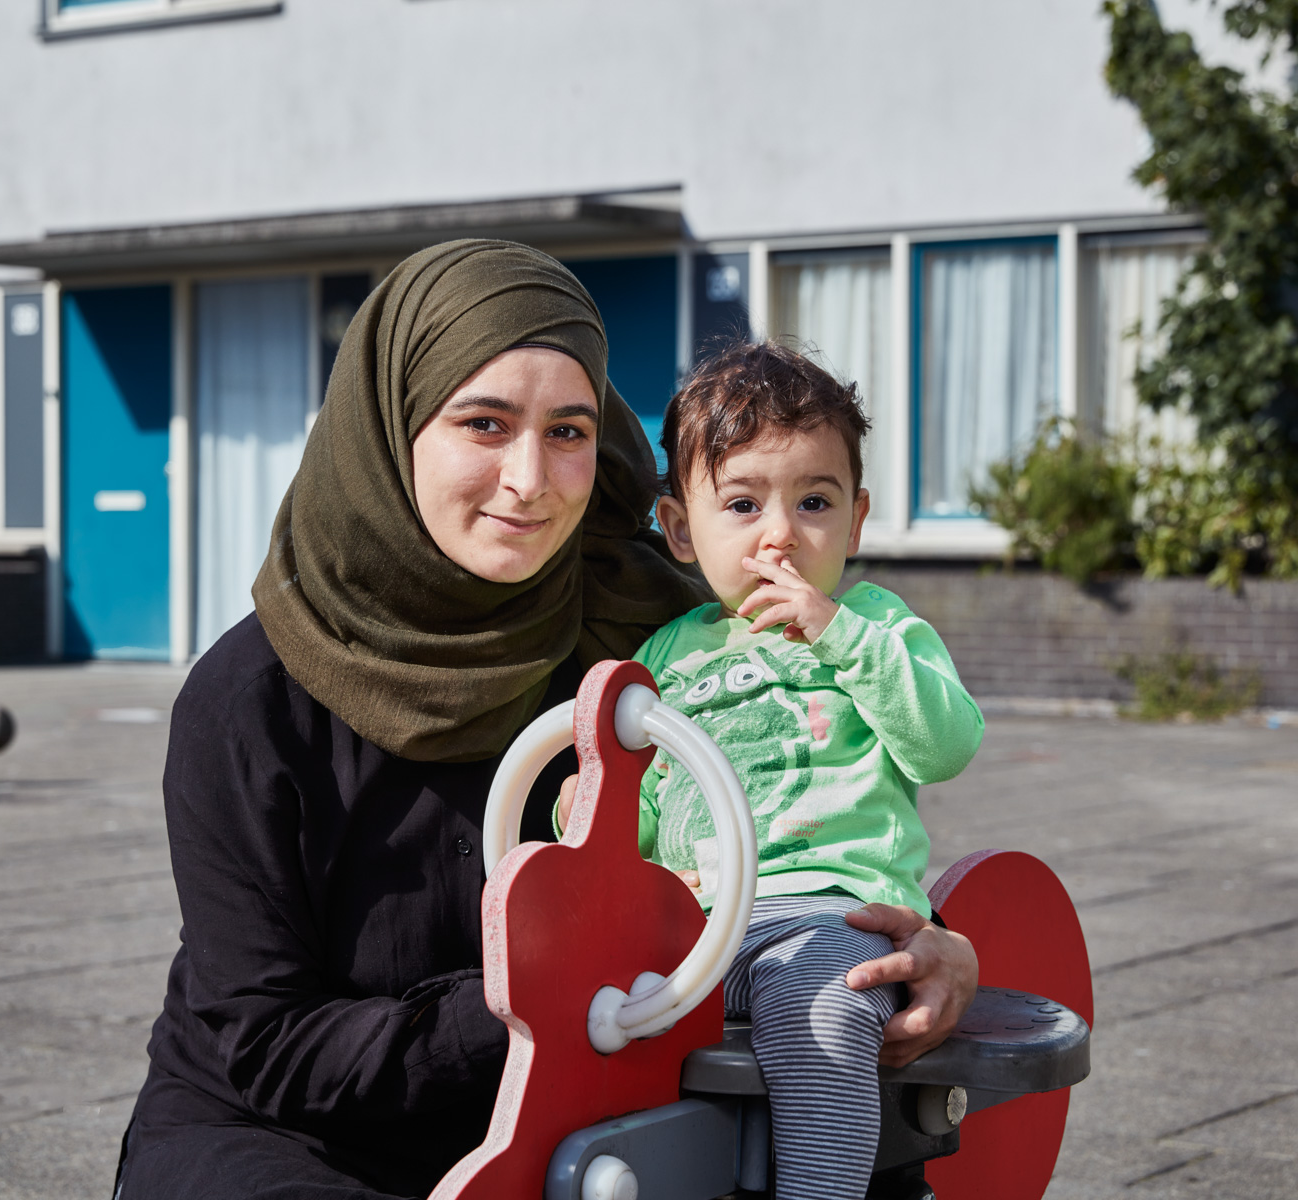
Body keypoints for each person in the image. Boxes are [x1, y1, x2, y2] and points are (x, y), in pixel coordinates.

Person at [113, 241, 980, 1200]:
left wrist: (919, 945)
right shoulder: (249, 702)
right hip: (295, 1137)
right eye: (484, 423)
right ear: (392, 429)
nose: (530, 478)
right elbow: (272, 1046)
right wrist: (541, 1006)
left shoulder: (646, 632)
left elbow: (797, 797)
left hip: (583, 1119)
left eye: (567, 431)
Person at [559, 340, 983, 1199]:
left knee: (819, 1014)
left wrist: (840, 633)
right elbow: (636, 821)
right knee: (584, 1011)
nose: (781, 533)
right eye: (744, 503)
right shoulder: (668, 656)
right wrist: (585, 807)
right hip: (697, 926)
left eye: (814, 501)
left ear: (857, 521)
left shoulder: (875, 625)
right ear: (681, 530)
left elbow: (944, 745)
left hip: (828, 916)